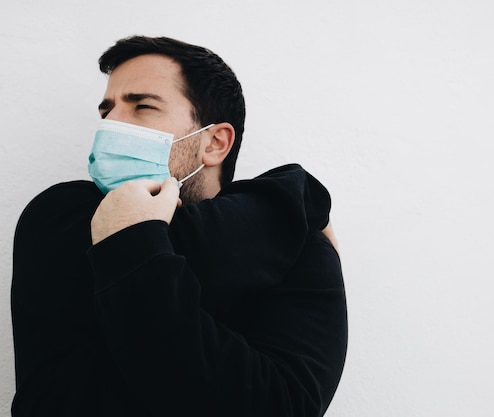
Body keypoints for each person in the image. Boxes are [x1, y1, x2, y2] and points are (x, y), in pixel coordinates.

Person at [11, 36, 347, 416]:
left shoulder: (301, 246)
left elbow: (285, 405)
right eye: (106, 111)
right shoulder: (62, 215)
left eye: (142, 106)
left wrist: (127, 239)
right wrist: (301, 195)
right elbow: (198, 245)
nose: (111, 125)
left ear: (215, 143)